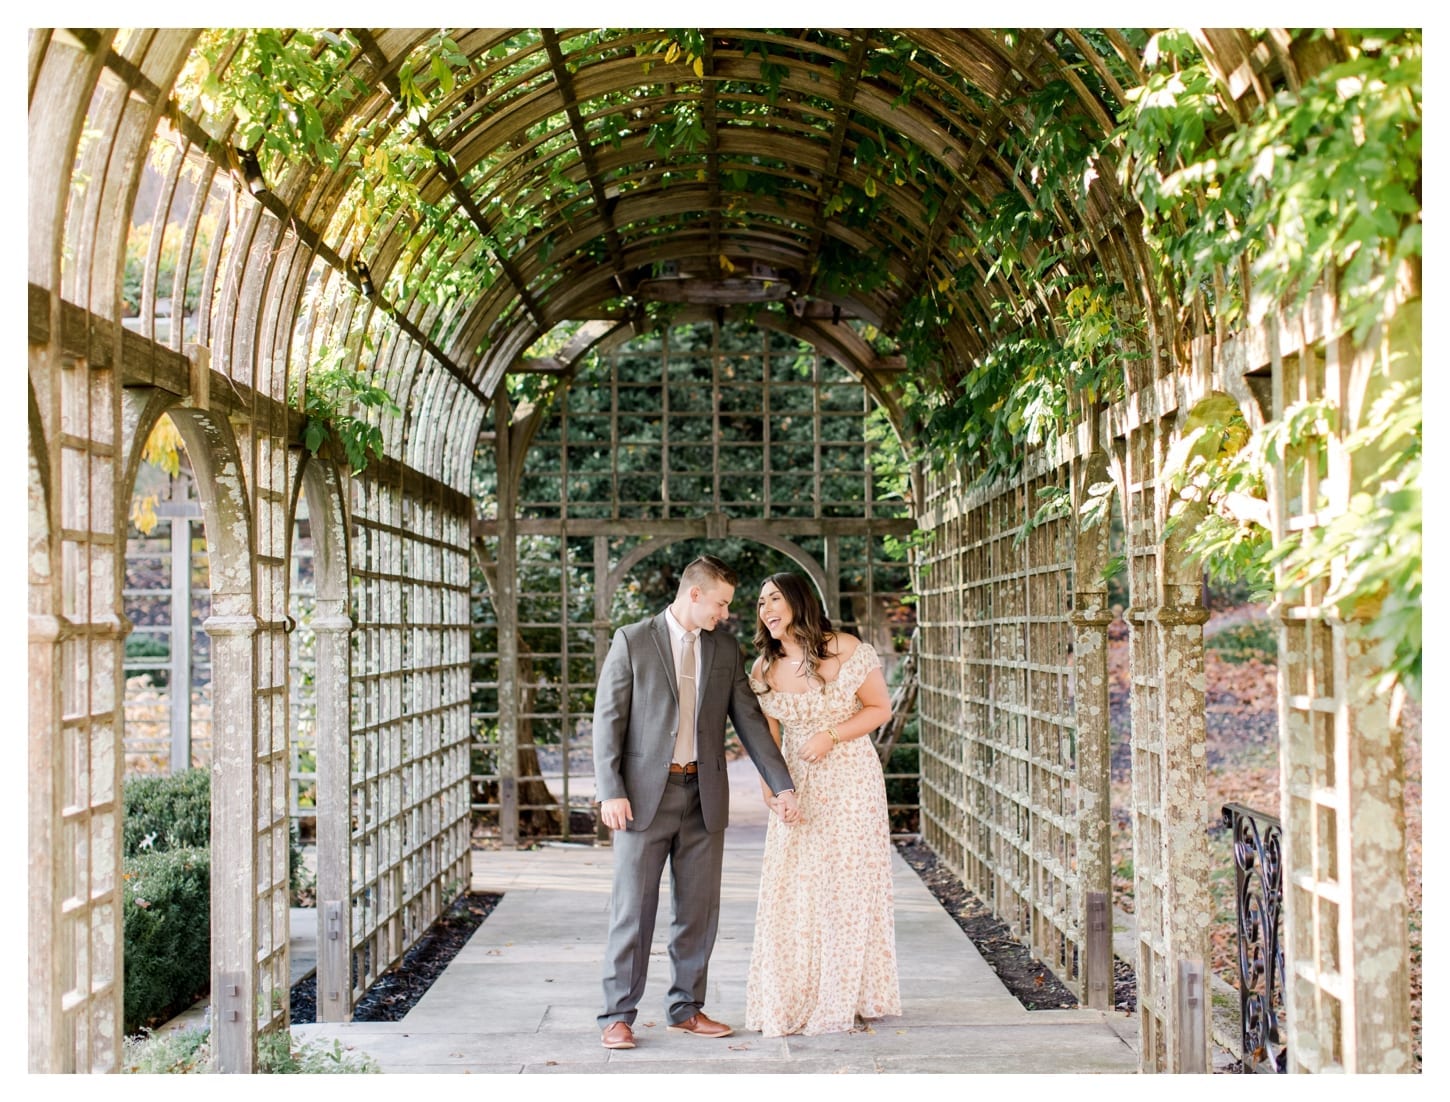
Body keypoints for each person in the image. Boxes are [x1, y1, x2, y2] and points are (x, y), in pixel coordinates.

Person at [594, 554, 801, 1050]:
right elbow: (608, 719)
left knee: (698, 910)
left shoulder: (724, 650)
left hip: (704, 796)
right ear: (695, 594)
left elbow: (750, 721)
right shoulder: (633, 640)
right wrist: (610, 790)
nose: (726, 613)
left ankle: (686, 1008)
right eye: (722, 603)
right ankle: (618, 1014)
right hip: (644, 797)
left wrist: (782, 782)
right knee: (633, 908)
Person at [744, 571, 902, 1036]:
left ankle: (844, 995)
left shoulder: (848, 649)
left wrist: (830, 735)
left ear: (797, 600)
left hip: (851, 778)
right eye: (759, 602)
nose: (765, 608)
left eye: (773, 598)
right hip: (798, 782)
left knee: (847, 887)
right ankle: (795, 992)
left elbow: (878, 708)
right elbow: (766, 742)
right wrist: (773, 793)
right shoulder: (763, 669)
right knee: (794, 888)